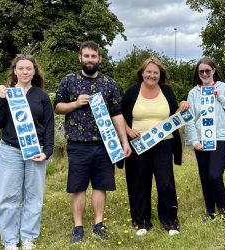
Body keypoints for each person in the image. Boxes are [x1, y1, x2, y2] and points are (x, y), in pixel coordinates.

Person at [54, 41, 132, 243]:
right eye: (86, 56)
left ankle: (99, 224)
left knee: (101, 185)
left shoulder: (109, 83)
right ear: (80, 58)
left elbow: (117, 114)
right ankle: (78, 227)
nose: (90, 60)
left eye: (93, 56)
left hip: (105, 144)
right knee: (78, 186)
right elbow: (58, 107)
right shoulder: (68, 81)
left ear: (100, 59)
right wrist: (75, 103)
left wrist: (124, 141)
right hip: (78, 143)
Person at [0, 54, 54, 250]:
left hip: (35, 150)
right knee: (8, 196)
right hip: (10, 150)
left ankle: (28, 237)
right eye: (21, 68)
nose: (25, 71)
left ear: (34, 72)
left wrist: (48, 151)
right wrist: (0, 100)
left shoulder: (41, 97)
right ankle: (9, 240)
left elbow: (49, 126)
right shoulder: (7, 94)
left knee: (33, 196)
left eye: (29, 68)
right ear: (15, 71)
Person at [121, 56, 189, 236]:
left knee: (166, 183)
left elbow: (175, 115)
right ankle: (142, 221)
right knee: (139, 182)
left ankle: (170, 221)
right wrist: (128, 130)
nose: (152, 75)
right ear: (142, 73)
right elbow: (119, 117)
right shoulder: (131, 92)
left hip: (163, 144)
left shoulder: (167, 91)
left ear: (161, 75)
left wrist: (182, 105)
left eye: (155, 72)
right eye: (148, 72)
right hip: (138, 145)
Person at [184, 57, 225, 222]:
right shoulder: (193, 93)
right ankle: (210, 212)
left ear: (214, 71)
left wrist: (220, 97)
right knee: (205, 177)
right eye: (201, 71)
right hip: (201, 140)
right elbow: (190, 119)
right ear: (198, 73)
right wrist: (194, 141)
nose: (205, 74)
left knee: (215, 175)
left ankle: (222, 211)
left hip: (220, 139)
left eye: (208, 70)